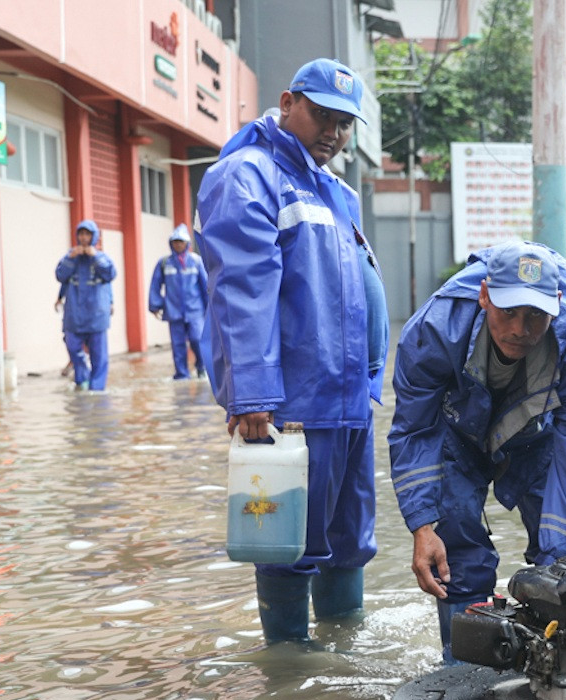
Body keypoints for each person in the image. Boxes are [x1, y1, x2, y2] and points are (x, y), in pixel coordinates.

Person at [195, 58, 388, 645]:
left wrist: (374, 379)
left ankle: (339, 668)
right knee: (284, 545)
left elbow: (359, 286)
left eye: (344, 123)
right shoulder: (247, 176)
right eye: (322, 116)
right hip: (292, 406)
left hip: (349, 402)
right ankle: (287, 673)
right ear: (287, 102)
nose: (333, 132)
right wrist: (251, 394)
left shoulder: (336, 190)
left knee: (349, 541)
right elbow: (242, 291)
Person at [389, 241, 566, 663]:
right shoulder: (436, 327)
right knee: (455, 552)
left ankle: (557, 660)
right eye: (508, 312)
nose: (520, 330)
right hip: (457, 433)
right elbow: (415, 429)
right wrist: (421, 524)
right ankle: (463, 668)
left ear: (557, 306)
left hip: (538, 440)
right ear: (484, 295)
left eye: (536, 316)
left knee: (560, 557)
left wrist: (562, 558)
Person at [55, 219, 116, 391]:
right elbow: (60, 276)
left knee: (99, 354)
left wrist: (94, 257)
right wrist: (70, 258)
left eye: (87, 234)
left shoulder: (101, 257)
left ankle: (97, 388)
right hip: (74, 314)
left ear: (93, 237)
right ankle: (82, 379)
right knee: (72, 346)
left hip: (96, 314)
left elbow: (110, 275)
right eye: (81, 234)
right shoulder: (71, 256)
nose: (84, 238)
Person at [148, 224, 210, 380]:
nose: (178, 244)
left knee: (197, 339)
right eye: (175, 241)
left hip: (195, 310)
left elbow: (206, 286)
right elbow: (155, 285)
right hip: (174, 311)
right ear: (171, 243)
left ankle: (201, 367)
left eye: (181, 241)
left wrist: (210, 307)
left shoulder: (196, 261)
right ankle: (182, 374)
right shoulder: (164, 263)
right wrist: (155, 305)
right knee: (178, 345)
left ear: (187, 243)